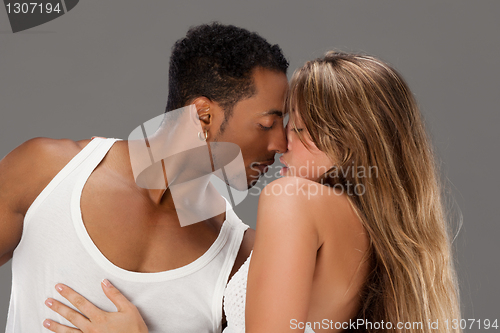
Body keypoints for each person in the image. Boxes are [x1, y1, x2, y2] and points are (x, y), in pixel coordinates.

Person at [43, 52, 462, 333]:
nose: (283, 142)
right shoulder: (369, 228)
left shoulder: (292, 199)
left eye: (296, 126)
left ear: (345, 136)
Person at [0, 22, 289, 333]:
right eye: (267, 124)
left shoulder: (240, 259)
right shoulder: (47, 171)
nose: (282, 144)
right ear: (203, 116)